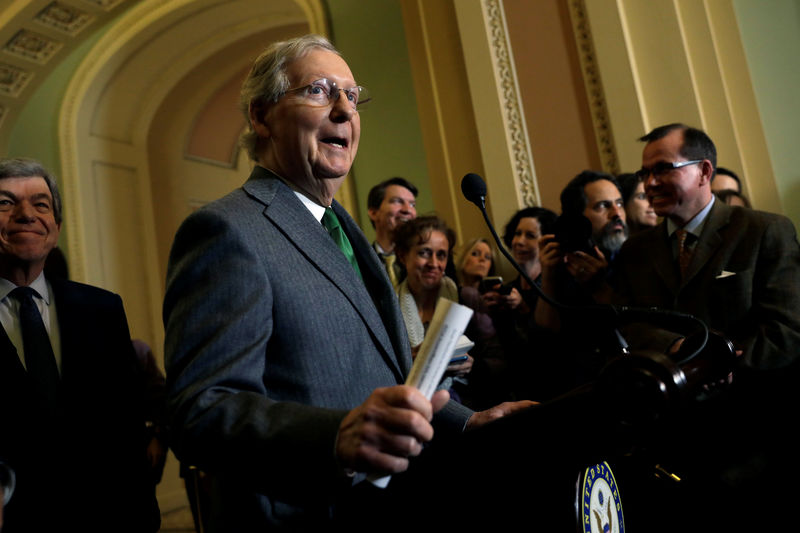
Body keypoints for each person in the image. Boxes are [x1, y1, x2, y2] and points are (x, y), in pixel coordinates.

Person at [163, 35, 528, 531]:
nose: (344, 110)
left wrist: (468, 423)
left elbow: (386, 384)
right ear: (261, 115)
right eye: (319, 90)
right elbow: (201, 412)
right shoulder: (227, 231)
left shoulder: (346, 230)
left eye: (353, 97)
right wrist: (334, 437)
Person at [605, 123, 800, 530]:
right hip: (667, 442)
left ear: (704, 171)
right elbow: (630, 324)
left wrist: (719, 366)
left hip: (751, 439)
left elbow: (786, 332)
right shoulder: (635, 252)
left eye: (663, 169)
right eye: (645, 174)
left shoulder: (764, 231)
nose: (650, 182)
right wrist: (681, 353)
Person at [0, 157, 158, 532]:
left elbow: (126, 428)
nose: (26, 215)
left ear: (56, 227)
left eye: (41, 204)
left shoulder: (102, 308)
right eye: (5, 203)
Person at [366, 177, 418, 288]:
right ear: (374, 213)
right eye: (397, 201)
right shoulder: (360, 262)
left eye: (412, 205)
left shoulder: (428, 260)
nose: (407, 210)